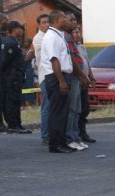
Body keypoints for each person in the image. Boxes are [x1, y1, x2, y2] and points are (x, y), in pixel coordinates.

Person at [41, 10, 74, 153]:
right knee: (57, 112)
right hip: (56, 77)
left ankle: (61, 141)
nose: (66, 21)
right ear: (56, 20)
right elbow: (54, 60)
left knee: (63, 111)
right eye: (63, 19)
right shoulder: (51, 37)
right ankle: (55, 144)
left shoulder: (58, 35)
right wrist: (61, 81)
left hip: (62, 76)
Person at [0, 21, 32, 134]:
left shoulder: (14, 42)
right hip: (12, 77)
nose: (22, 31)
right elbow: (4, 62)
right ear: (14, 29)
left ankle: (17, 124)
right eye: (20, 29)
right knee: (12, 101)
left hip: (16, 76)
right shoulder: (10, 42)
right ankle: (12, 125)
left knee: (17, 101)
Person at [64, 13, 90, 151]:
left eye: (75, 20)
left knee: (78, 109)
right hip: (73, 76)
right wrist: (82, 75)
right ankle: (70, 137)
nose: (74, 22)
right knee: (72, 109)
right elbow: (72, 60)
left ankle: (76, 136)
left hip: (78, 78)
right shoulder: (66, 38)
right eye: (71, 19)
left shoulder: (74, 41)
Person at [73, 26, 97, 143]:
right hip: (77, 80)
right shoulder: (71, 47)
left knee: (85, 108)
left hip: (85, 81)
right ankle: (76, 133)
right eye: (74, 32)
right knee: (77, 108)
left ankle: (83, 133)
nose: (76, 35)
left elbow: (87, 63)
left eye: (78, 32)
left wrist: (91, 77)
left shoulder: (82, 47)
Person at [32, 13, 50, 145]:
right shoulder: (39, 38)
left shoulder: (50, 36)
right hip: (45, 76)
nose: (46, 25)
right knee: (47, 106)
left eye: (48, 22)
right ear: (38, 25)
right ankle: (45, 135)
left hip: (51, 75)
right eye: (43, 22)